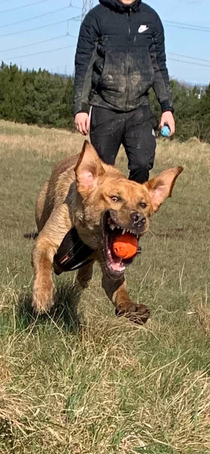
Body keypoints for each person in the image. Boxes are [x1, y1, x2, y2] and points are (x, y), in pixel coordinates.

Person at [73, 0, 175, 184]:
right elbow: (84, 66)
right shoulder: (96, 18)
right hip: (104, 106)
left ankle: (131, 209)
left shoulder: (151, 19)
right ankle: (103, 212)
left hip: (139, 109)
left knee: (142, 165)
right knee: (101, 173)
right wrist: (80, 108)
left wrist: (167, 108)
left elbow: (159, 66)